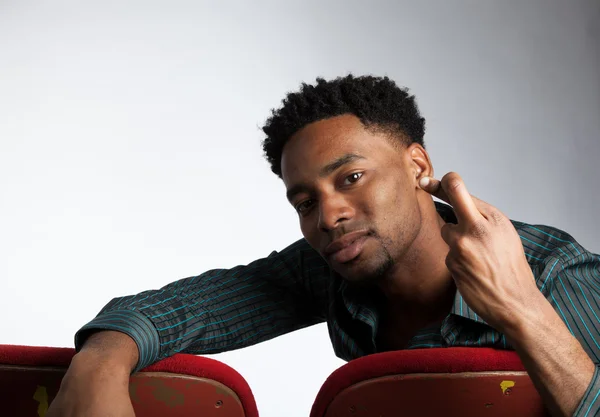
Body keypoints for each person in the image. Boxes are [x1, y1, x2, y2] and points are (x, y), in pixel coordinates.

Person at [47, 75, 600, 417]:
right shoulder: (333, 267)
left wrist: (524, 310)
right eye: (305, 201)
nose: (329, 215)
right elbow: (177, 311)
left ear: (418, 166)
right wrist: (98, 367)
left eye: (351, 178)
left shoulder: (558, 273)